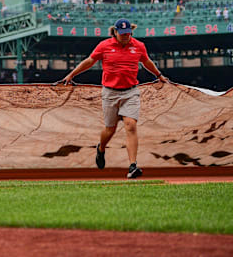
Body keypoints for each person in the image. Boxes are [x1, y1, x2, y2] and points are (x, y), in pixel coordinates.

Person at [60, 19, 167, 179]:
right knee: (110, 129)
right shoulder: (104, 46)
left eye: (128, 33)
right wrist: (71, 74)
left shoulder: (139, 46)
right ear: (115, 32)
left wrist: (159, 75)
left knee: (131, 126)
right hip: (110, 93)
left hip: (130, 92)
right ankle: (101, 148)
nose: (126, 36)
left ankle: (132, 166)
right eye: (122, 34)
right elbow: (90, 61)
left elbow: (146, 62)